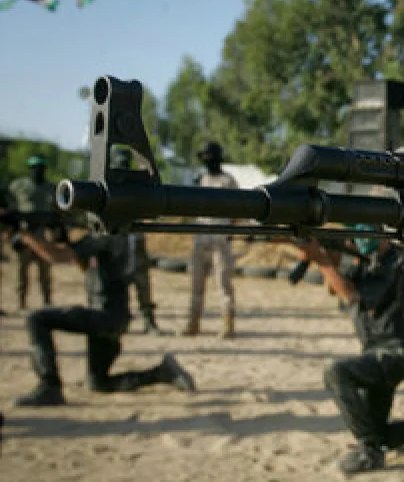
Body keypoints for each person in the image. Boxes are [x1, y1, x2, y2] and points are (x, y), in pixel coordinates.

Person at [309, 234, 404, 475]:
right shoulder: (366, 260)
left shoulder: (393, 261)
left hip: (394, 352)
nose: (361, 238)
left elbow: (351, 295)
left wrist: (320, 260)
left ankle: (369, 452)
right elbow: (334, 287)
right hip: (376, 352)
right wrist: (332, 256)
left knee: (337, 372)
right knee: (379, 433)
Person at [4, 215, 196, 407]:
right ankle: (162, 372)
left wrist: (27, 237)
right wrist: (63, 241)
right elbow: (86, 267)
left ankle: (49, 387)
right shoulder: (123, 235)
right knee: (98, 383)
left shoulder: (105, 235)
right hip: (114, 318)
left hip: (103, 317)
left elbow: (58, 257)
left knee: (36, 319)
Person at [180, 141, 238, 339]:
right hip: (201, 238)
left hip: (220, 240)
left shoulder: (228, 181)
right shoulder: (201, 179)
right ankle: (193, 323)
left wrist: (231, 233)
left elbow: (239, 210)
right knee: (196, 284)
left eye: (208, 156)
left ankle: (228, 324)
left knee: (223, 284)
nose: (205, 160)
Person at [110, 147, 166, 335]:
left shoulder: (137, 184)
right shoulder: (107, 184)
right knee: (117, 288)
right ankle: (118, 322)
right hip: (116, 242)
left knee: (143, 285)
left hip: (136, 240)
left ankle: (149, 321)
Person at [8, 155, 57, 309]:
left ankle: (47, 301)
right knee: (22, 270)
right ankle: (22, 301)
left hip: (43, 233)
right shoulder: (19, 185)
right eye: (34, 168)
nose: (37, 171)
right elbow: (10, 206)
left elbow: (57, 212)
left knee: (45, 270)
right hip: (25, 233)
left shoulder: (51, 188)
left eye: (40, 168)